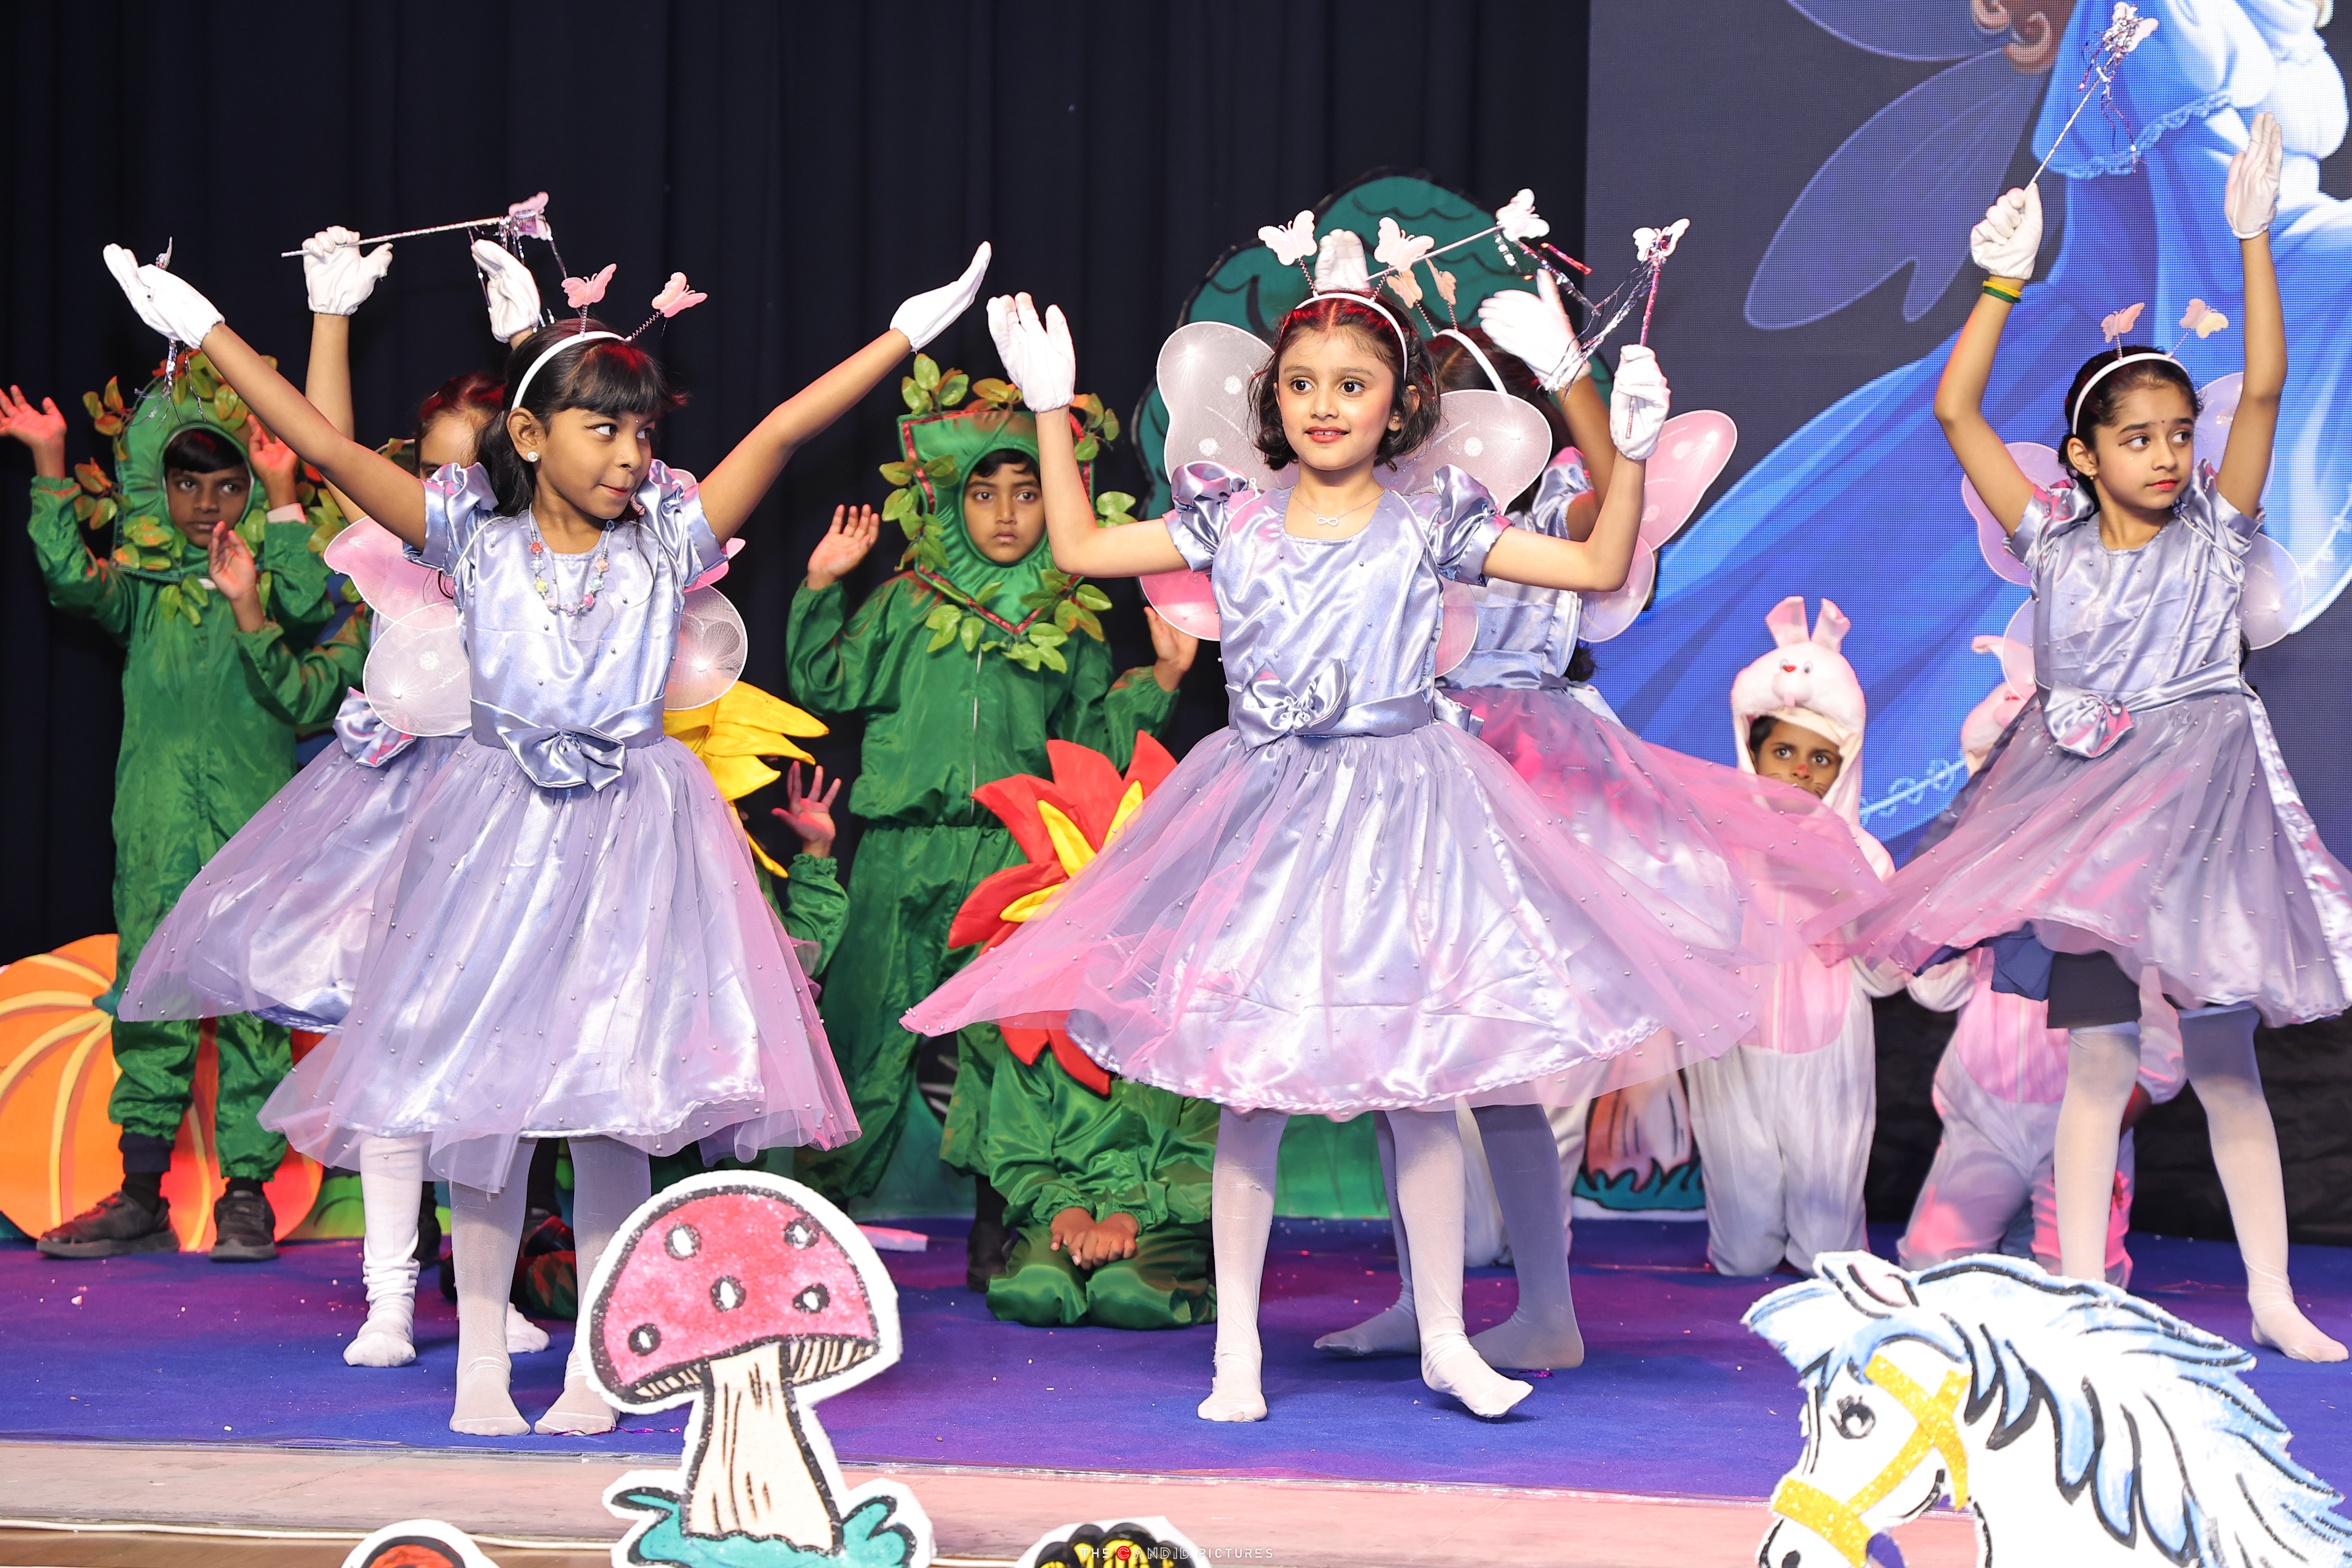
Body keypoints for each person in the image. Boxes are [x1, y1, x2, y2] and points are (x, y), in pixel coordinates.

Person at [103, 234, 993, 1430]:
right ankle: (480, 1360)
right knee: (486, 1106)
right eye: (603, 429)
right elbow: (326, 448)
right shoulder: (469, 535)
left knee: (610, 1105)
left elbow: (783, 430)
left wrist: (905, 335)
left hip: (631, 837)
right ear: (528, 436)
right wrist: (205, 325)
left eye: (642, 433)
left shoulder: (667, 538)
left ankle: (593, 1364)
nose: (631, 455)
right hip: (497, 836)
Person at [908, 279, 1775, 1423]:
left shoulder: (1433, 519)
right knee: (1249, 1090)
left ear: (1399, 404)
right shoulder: (1233, 519)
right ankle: (1237, 1355)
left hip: (1406, 816)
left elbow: (1599, 568)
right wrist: (1050, 409)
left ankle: (1446, 1338)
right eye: (1303, 384)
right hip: (1270, 820)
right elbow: (1076, 545)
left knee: (1420, 1086)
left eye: (1352, 385)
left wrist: (1608, 423)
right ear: (1274, 399)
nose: (1324, 405)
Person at [1832, 116, 2352, 1360]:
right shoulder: (2052, 541)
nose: (2168, 454)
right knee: (2099, 1066)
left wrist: (2251, 240)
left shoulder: (2218, 533)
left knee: (2225, 1066)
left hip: (2208, 825)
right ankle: (2080, 1297)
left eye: (2178, 434)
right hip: (2088, 837)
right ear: (2083, 454)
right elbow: (1957, 409)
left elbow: (2264, 388)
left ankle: (2272, 1298)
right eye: (2137, 436)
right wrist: (2001, 282)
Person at [1315, 321, 1881, 1367]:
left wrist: (1578, 380)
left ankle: (1544, 1308)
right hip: (1409, 765)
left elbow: (1618, 514)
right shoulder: (1395, 506)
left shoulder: (1545, 505)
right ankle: (1421, 1297)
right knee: (1404, 1063)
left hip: (1523, 776)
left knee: (1508, 1071)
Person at [786, 385, 1193, 1274]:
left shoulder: (1068, 617)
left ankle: (999, 1219)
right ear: (947, 500)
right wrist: (822, 585)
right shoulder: (904, 602)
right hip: (900, 849)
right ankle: (809, 1226)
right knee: (862, 1036)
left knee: (1002, 1043)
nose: (1007, 513)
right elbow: (825, 683)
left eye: (1028, 491)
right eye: (984, 492)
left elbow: (1088, 747)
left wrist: (1160, 678)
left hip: (1012, 857)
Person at [4, 328, 339, 1263]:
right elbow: (70, 579)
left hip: (253, 822)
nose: (205, 504)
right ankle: (142, 1190)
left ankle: (247, 1192)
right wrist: (49, 462)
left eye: (225, 485)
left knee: (253, 1001)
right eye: (187, 484)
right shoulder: (144, 592)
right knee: (150, 991)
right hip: (155, 822)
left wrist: (281, 495)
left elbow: (307, 601)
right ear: (160, 488)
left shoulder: (264, 583)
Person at [1679, 598, 1907, 1277]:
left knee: (1828, 1254)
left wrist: (1850, 900)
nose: (1802, 772)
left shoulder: (1865, 854)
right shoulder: (1712, 846)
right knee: (1743, 1254)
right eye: (1784, 752)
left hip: (1828, 1048)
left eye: (1821, 758)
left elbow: (1887, 976)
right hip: (1734, 1050)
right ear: (1751, 751)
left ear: (1845, 764)